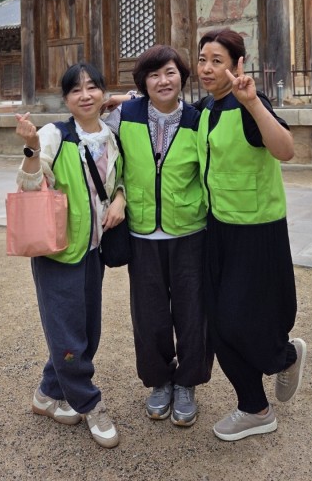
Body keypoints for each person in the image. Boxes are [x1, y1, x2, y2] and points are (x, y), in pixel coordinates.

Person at [196, 28, 306, 442]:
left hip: (257, 229)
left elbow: (285, 149)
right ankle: (255, 407)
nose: (207, 68)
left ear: (236, 65)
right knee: (218, 324)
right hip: (218, 228)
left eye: (217, 61)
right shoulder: (206, 109)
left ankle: (284, 356)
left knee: (239, 320)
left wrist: (254, 102)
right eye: (202, 59)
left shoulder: (247, 106)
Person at [14, 62, 126, 449]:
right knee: (67, 333)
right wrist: (31, 148)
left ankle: (47, 394)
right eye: (75, 90)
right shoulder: (53, 134)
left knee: (88, 330)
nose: (85, 95)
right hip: (58, 250)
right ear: (65, 99)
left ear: (103, 93)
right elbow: (30, 183)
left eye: (92, 87)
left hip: (93, 248)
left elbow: (119, 179)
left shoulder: (110, 137)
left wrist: (121, 199)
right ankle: (88, 403)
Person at [105, 45, 213, 427]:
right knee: (148, 316)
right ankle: (159, 381)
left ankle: (187, 383)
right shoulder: (125, 116)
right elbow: (107, 161)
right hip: (142, 234)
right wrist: (118, 194)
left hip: (190, 232)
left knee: (192, 314)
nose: (162, 81)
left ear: (182, 77)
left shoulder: (199, 120)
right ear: (143, 82)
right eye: (153, 75)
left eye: (169, 72)